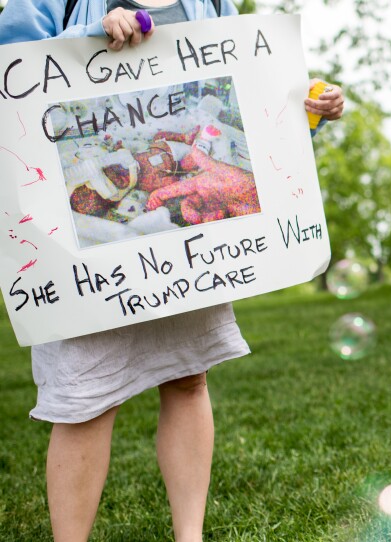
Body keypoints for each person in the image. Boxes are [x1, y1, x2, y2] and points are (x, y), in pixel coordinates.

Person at [0, 2, 344, 541]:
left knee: (188, 379)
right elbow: (11, 90)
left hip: (186, 258)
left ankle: (192, 536)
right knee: (84, 401)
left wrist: (304, 110)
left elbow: (246, 120)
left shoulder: (211, 4)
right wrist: (90, 37)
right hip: (83, 268)